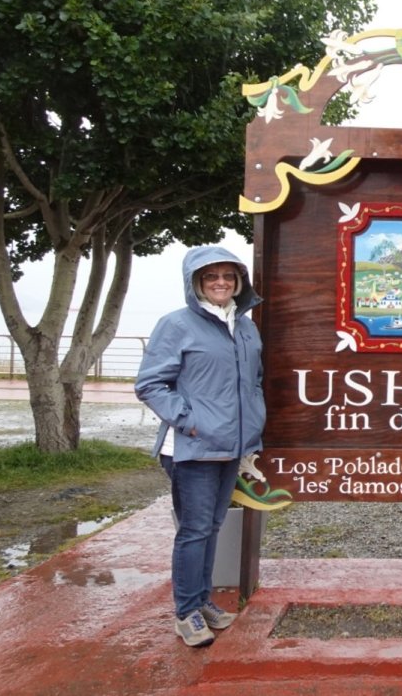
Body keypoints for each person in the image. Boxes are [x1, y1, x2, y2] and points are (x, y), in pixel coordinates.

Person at [135, 246, 266, 647]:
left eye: (228, 275)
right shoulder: (176, 324)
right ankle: (187, 612)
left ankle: (203, 601)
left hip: (232, 446)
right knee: (194, 531)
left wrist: (253, 423)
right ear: (195, 283)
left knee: (212, 527)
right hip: (192, 448)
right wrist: (191, 422)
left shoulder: (246, 327)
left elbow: (254, 380)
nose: (220, 283)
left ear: (238, 281)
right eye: (211, 277)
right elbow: (150, 384)